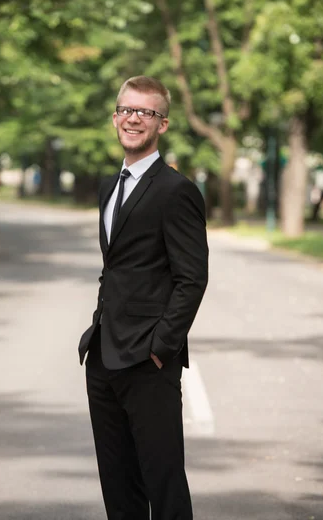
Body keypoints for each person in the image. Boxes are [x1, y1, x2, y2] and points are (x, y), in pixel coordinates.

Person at [78, 76, 209, 520]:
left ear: (163, 125)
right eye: (126, 109)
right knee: (119, 488)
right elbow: (115, 267)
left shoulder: (177, 191)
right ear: (115, 117)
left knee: (165, 485)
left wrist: (161, 349)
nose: (134, 117)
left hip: (148, 362)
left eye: (146, 112)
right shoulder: (108, 187)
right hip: (103, 356)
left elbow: (192, 278)